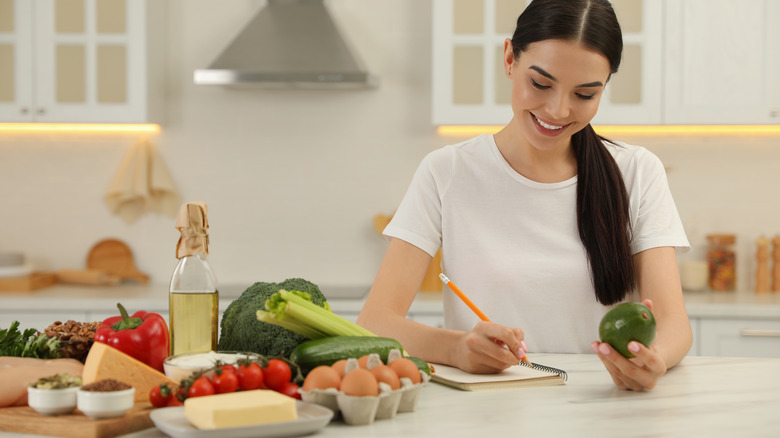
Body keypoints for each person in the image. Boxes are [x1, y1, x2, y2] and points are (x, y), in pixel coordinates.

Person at [357, 0, 691, 391]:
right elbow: (375, 322)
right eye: (541, 83)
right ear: (510, 59)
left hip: (604, 406)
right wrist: (458, 347)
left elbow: (673, 323)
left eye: (584, 94)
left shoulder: (636, 171)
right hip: (487, 412)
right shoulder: (446, 171)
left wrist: (656, 360)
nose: (558, 109)